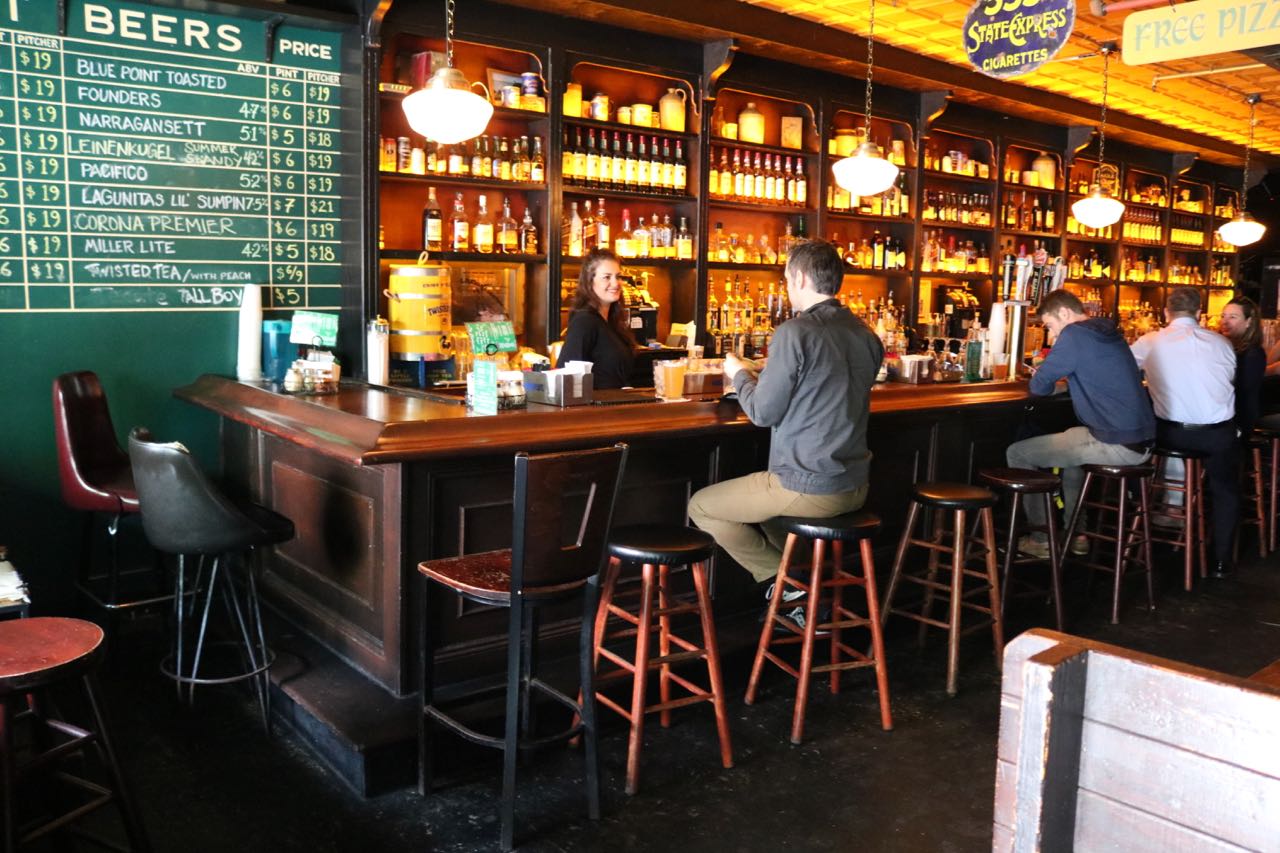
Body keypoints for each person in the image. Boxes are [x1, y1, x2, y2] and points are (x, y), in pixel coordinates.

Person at [688, 240, 883, 623]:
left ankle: (786, 588)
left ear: (802, 278)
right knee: (772, 517)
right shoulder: (865, 334)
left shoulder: (795, 332)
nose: (786, 288)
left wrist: (739, 374)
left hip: (808, 484)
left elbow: (762, 411)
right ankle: (803, 597)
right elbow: (825, 387)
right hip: (855, 483)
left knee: (701, 506)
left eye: (787, 279)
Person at [1006, 289, 1155, 558]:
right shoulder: (1108, 333)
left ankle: (1041, 539)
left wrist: (1047, 370)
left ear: (1064, 313)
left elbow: (1038, 386)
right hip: (1142, 442)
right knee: (1072, 446)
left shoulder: (1075, 334)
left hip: (1116, 443)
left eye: (1050, 326)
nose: (1051, 335)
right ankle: (1078, 534)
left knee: (1017, 452)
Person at [1131, 287, 1238, 577]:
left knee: (1140, 445)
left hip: (1174, 436)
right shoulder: (1222, 343)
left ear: (1166, 313)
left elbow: (1122, 371)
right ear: (1199, 313)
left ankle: (1149, 526)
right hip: (1219, 435)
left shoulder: (1150, 341)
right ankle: (1220, 561)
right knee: (1225, 490)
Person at [556, 248, 634, 389]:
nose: (615, 283)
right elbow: (568, 378)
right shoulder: (584, 322)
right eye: (606, 277)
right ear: (590, 281)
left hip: (617, 406)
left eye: (618, 276)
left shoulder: (611, 321)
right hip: (597, 408)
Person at [1220, 296, 1266, 437]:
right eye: (1223, 316)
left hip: (1238, 421)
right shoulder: (1225, 348)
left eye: (1233, 317)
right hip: (1224, 417)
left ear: (1249, 322)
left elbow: (1240, 391)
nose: (1225, 322)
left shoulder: (1253, 354)